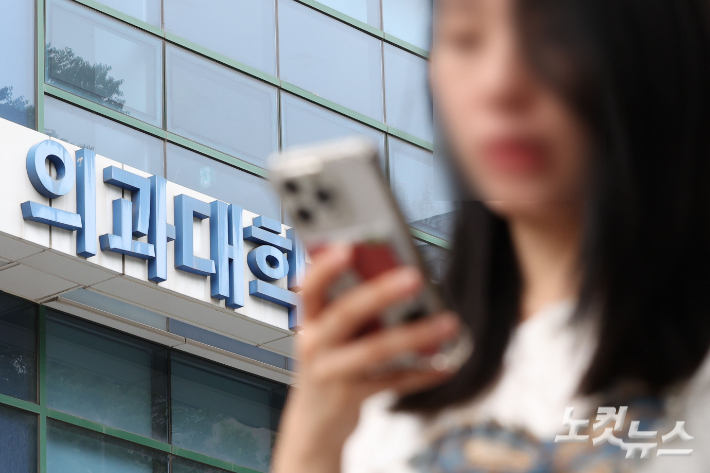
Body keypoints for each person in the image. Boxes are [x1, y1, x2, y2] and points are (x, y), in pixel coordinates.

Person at [272, 0, 710, 471]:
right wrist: (311, 440)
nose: (501, 84)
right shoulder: (392, 396)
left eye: (556, 35)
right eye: (465, 38)